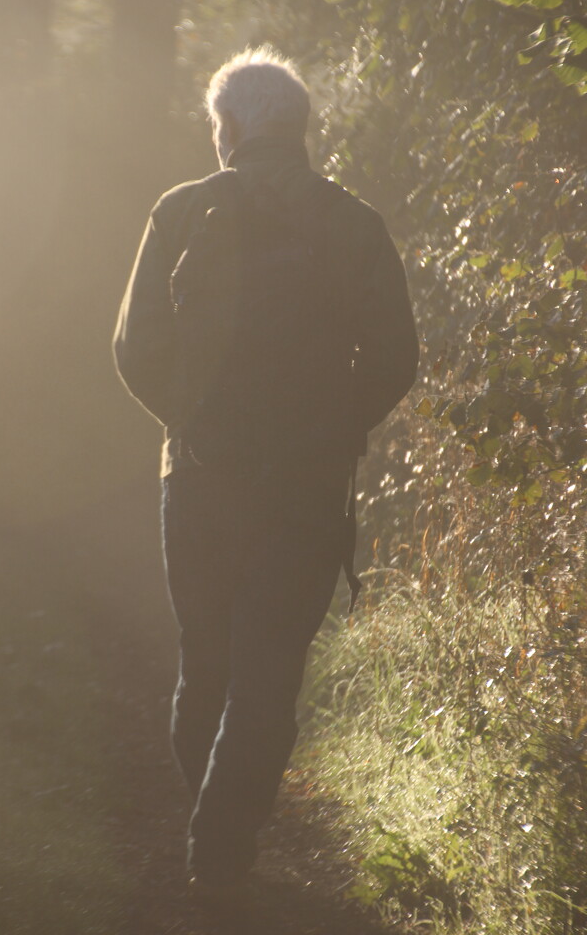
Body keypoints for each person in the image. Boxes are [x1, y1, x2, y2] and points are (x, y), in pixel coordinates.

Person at [112, 46, 419, 900]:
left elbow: (135, 349)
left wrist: (190, 423)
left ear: (229, 129)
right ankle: (224, 845)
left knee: (205, 659)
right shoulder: (354, 223)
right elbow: (396, 355)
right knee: (270, 670)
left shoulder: (179, 211)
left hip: (199, 481)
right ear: (302, 132)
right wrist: (330, 427)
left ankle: (216, 834)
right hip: (308, 489)